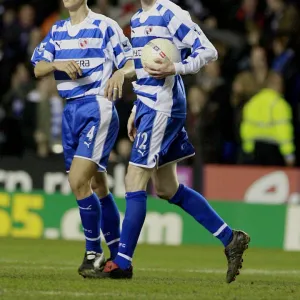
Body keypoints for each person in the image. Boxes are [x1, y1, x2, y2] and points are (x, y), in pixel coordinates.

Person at [102, 0, 250, 283]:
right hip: (149, 105)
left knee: (134, 180)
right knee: (168, 187)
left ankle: (122, 262)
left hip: (163, 107)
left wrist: (177, 67)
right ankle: (231, 239)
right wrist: (135, 110)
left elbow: (209, 51)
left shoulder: (170, 12)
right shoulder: (137, 19)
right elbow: (143, 68)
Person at [31, 0, 135, 278]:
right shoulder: (58, 30)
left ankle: (94, 253)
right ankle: (118, 258)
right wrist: (56, 63)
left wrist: (118, 73)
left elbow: (131, 63)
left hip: (96, 106)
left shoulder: (104, 26)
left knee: (78, 181)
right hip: (70, 111)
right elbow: (37, 68)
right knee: (97, 184)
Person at [240, 72, 295, 167]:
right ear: (276, 85)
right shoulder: (280, 104)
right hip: (274, 151)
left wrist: (248, 149)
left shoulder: (252, 102)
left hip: (255, 150)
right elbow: (284, 131)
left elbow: (246, 128)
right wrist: (289, 155)